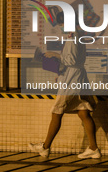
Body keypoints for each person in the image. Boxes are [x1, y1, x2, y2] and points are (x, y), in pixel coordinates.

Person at [28, 12, 101, 159]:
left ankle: (45, 147)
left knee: (57, 111)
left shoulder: (73, 37)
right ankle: (93, 148)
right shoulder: (76, 35)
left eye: (61, 24)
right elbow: (73, 60)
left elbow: (71, 60)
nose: (60, 27)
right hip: (77, 77)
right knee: (83, 112)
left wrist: (54, 55)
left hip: (72, 80)